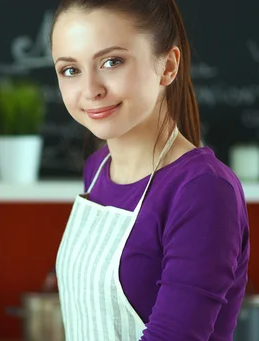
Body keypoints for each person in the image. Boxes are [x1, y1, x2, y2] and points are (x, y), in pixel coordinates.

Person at [50, 0, 250, 340]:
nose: (90, 90)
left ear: (169, 66)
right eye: (71, 70)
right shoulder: (97, 169)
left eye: (112, 62)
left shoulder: (203, 190)